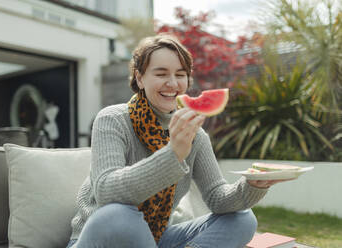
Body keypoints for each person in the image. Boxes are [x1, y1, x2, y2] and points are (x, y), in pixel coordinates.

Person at [66, 34, 284, 248]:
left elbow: (217, 198)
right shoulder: (112, 120)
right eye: (161, 74)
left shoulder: (195, 134)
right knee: (118, 214)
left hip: (156, 238)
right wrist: (173, 154)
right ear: (140, 78)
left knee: (243, 220)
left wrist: (252, 185)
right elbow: (107, 192)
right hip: (101, 237)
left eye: (180, 75)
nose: (172, 83)